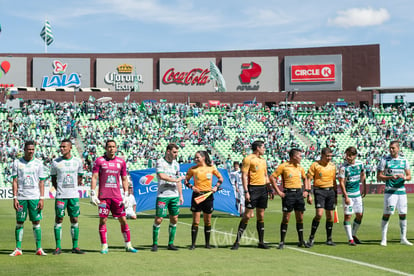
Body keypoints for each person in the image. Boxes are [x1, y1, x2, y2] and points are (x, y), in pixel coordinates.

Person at [90, 139, 138, 254]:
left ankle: (128, 245)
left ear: (116, 148)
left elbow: (124, 178)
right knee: (103, 220)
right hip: (103, 197)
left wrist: (126, 194)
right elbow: (94, 177)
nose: (111, 148)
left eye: (113, 146)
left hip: (117, 196)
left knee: (123, 220)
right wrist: (92, 192)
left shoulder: (121, 162)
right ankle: (104, 246)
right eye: (109, 147)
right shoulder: (99, 161)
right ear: (106, 148)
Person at [231, 140, 272, 250]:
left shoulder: (263, 160)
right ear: (258, 148)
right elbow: (244, 176)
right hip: (252, 189)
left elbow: (266, 175)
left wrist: (270, 189)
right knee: (247, 216)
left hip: (263, 189)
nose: (264, 149)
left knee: (261, 216)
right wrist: (246, 191)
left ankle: (261, 242)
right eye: (263, 147)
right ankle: (237, 242)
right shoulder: (248, 159)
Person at [10, 141, 48, 256]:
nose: (31, 151)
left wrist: (42, 198)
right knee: (19, 222)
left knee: (36, 222)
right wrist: (15, 198)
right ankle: (18, 248)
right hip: (21, 197)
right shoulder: (17, 163)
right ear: (24, 150)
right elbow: (15, 181)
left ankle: (39, 248)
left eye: (32, 149)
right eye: (29, 149)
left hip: (34, 197)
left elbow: (41, 182)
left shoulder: (39, 163)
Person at [270, 148, 312, 249]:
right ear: (294, 156)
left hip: (298, 194)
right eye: (300, 156)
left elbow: (305, 178)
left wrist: (307, 191)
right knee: (286, 218)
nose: (301, 158)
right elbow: (272, 177)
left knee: (300, 217)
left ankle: (301, 240)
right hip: (288, 194)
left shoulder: (300, 167)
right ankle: (282, 241)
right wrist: (278, 191)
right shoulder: (283, 166)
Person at [51, 139, 85, 255]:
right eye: (61, 147)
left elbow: (80, 177)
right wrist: (61, 189)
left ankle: (75, 246)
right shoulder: (55, 162)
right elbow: (53, 179)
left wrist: (73, 188)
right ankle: (58, 246)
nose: (62, 149)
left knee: (74, 219)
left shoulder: (77, 161)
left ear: (70, 148)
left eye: (64, 147)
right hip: (61, 196)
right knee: (59, 219)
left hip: (73, 196)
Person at [185, 150, 223, 250]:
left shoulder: (211, 168)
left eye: (197, 157)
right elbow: (186, 181)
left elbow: (220, 179)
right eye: (195, 157)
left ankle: (207, 243)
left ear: (203, 157)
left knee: (207, 221)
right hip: (197, 195)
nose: (196, 159)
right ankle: (193, 244)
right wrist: (192, 187)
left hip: (208, 196)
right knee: (196, 221)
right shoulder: (193, 169)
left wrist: (215, 187)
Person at [377, 141, 412, 246]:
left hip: (401, 192)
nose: (391, 150)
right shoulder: (385, 160)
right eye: (390, 148)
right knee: (387, 214)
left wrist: (404, 177)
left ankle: (403, 238)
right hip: (390, 191)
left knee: (403, 213)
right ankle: (384, 239)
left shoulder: (404, 160)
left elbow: (409, 176)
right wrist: (391, 177)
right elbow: (379, 176)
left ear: (398, 149)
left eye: (393, 148)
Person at [151, 143, 184, 252]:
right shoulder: (160, 162)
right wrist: (175, 180)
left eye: (177, 152)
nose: (176, 154)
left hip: (174, 195)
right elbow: (162, 176)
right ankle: (155, 243)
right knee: (159, 219)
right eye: (174, 152)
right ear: (168, 151)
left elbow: (178, 179)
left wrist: (181, 195)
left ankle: (171, 243)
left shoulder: (176, 164)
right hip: (163, 195)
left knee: (174, 218)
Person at [306, 147, 337, 247]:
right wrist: (309, 194)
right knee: (319, 214)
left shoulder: (332, 166)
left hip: (330, 191)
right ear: (322, 155)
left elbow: (334, 181)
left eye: (330, 156)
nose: (329, 158)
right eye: (327, 156)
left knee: (330, 216)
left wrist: (336, 194)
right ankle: (311, 237)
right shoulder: (315, 165)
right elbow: (308, 179)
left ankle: (329, 239)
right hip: (319, 191)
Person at [338, 146, 366, 246]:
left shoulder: (360, 164)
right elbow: (341, 182)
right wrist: (345, 196)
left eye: (350, 155)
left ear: (355, 156)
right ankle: (350, 239)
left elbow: (363, 174)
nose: (348, 157)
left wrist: (364, 187)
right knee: (348, 216)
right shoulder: (343, 168)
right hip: (349, 195)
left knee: (359, 215)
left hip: (357, 194)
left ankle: (353, 235)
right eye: (347, 155)